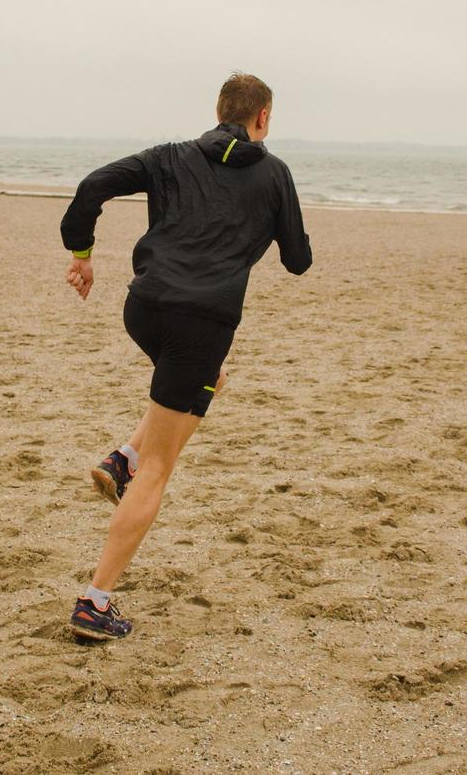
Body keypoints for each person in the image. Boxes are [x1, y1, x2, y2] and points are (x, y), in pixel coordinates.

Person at [59, 72, 313, 641]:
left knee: (205, 382)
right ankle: (94, 602)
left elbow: (94, 183)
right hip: (201, 324)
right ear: (263, 117)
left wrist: (82, 253)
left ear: (219, 110)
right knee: (162, 466)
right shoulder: (274, 174)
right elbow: (298, 260)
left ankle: (122, 456)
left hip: (143, 308)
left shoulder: (169, 156)